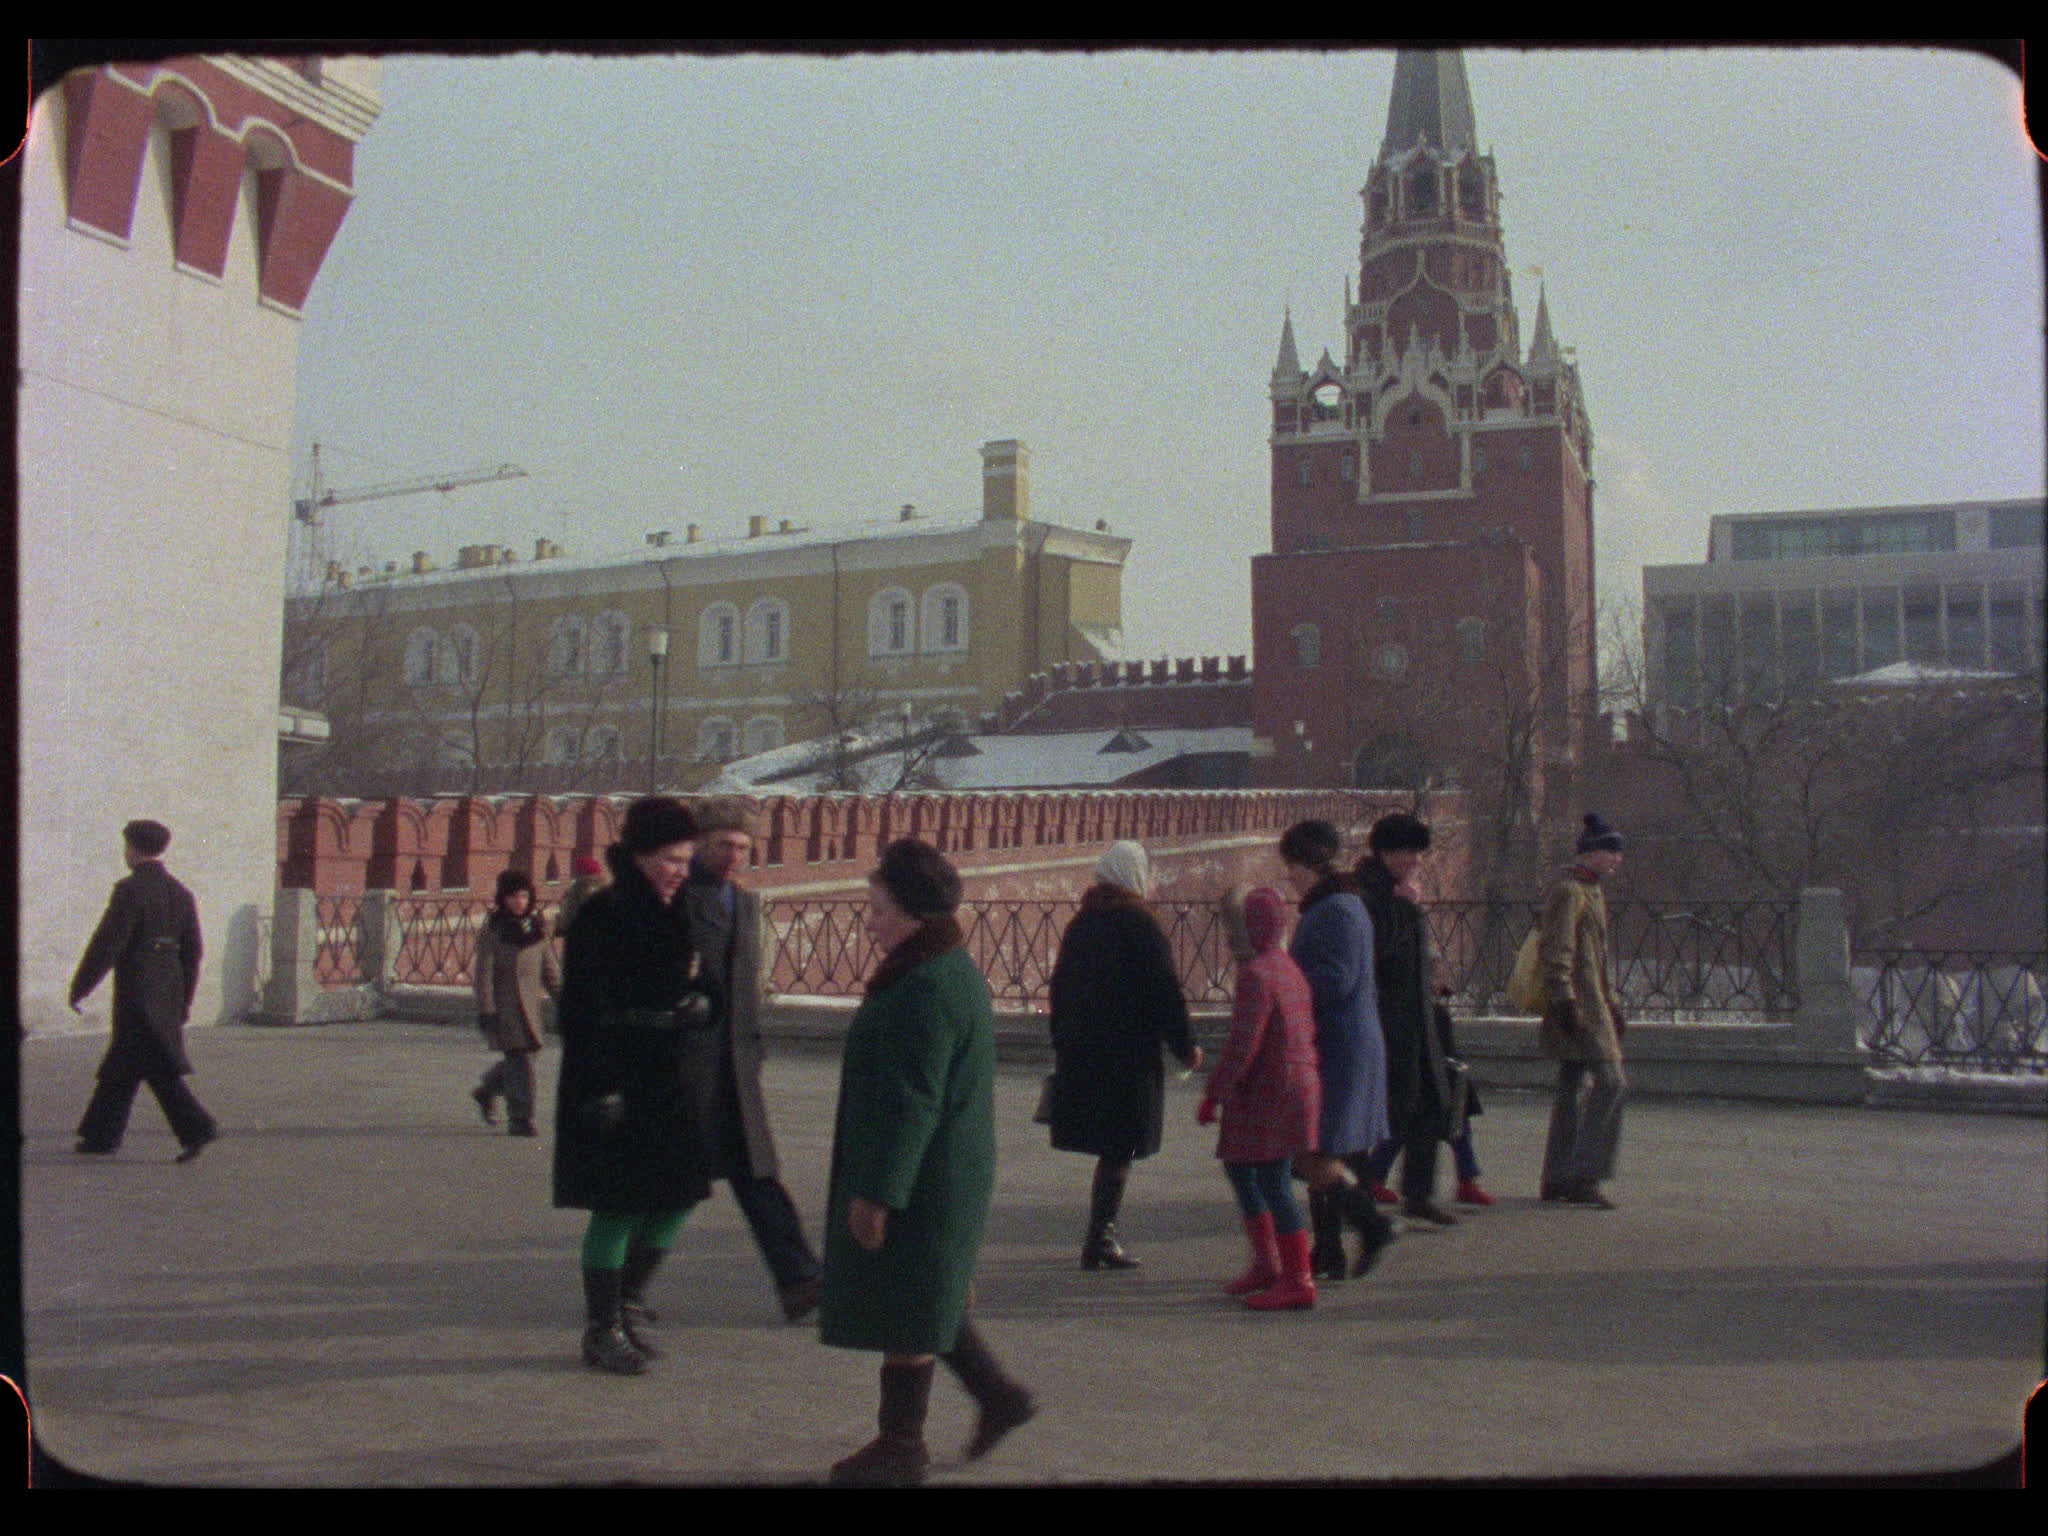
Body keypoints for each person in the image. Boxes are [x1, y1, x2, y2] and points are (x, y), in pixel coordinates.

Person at [820, 839, 1035, 1487]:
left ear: (914, 914)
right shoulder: (939, 968)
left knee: (911, 1306)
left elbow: (912, 1101)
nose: (870, 923)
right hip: (938, 1168)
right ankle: (998, 1397)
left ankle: (901, 1445)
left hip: (924, 1177)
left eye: (879, 910)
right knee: (924, 1296)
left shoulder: (926, 986)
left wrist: (877, 1194)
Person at [552, 796, 719, 1375]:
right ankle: (602, 1328)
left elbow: (706, 981)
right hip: (616, 1076)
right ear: (641, 855)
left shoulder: (683, 909)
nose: (680, 870)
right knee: (618, 1206)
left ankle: (628, 1299)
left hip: (671, 1076)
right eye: (671, 859)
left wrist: (705, 1004)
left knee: (678, 1196)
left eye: (686, 859)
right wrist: (600, 1088)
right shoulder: (603, 914)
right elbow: (579, 1012)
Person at [680, 800, 824, 1322]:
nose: (733, 855)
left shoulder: (743, 902)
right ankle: (620, 1289)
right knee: (666, 1184)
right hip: (689, 1068)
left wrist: (753, 1048)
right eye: (724, 844)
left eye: (742, 847)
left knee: (758, 1176)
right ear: (700, 843)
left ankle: (800, 1280)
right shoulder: (676, 900)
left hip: (737, 1069)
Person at [1044, 840, 1201, 1271]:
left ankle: (1100, 1237)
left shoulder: (1082, 923)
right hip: (1127, 1056)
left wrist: (1062, 1040)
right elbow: (1165, 992)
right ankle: (1100, 1239)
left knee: (1114, 1148)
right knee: (1120, 1147)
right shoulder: (1140, 925)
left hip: (1084, 1052)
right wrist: (1185, 1046)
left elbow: (1060, 988)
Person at [1278, 819, 1397, 1280]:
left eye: (1293, 865)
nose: (1290, 875)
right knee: (1324, 1150)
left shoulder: (1336, 910)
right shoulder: (1337, 905)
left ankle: (1369, 1229)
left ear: (1312, 863)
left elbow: (1336, 979)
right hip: (1338, 1043)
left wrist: (1286, 986)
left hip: (1341, 1047)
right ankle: (1329, 1251)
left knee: (1318, 1151)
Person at [1198, 886, 1323, 1310]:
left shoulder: (1256, 974)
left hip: (1270, 1091)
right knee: (1243, 1167)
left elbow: (1243, 1045)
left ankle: (1295, 1277)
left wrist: (1214, 1094)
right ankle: (1272, 1266)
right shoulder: (1288, 968)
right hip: (1295, 1085)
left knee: (1271, 1181)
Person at [70, 819, 218, 1163]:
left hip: (137, 990)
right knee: (123, 1063)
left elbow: (107, 943)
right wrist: (183, 1000)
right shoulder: (180, 893)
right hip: (167, 989)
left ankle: (197, 1127)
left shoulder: (130, 890)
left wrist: (81, 986)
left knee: (156, 1066)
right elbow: (192, 952)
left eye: (126, 847)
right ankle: (100, 1135)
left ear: (133, 849)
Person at [1352, 812, 1457, 1227]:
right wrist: (1407, 908)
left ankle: (1419, 1192)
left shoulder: (1396, 891)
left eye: (1419, 852)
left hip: (1416, 1019)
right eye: (1408, 851)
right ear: (1385, 852)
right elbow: (1380, 949)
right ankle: (1354, 1196)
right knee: (1379, 1111)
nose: (1416, 860)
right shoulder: (1368, 893)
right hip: (1386, 1019)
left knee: (1428, 1106)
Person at [1537, 813, 1629, 1210]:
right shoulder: (1570, 891)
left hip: (1593, 1004)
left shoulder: (1591, 891)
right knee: (1611, 1083)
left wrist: (1613, 1003)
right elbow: (1556, 951)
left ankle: (1557, 1177)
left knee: (1572, 1088)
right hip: (1580, 1007)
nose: (1617, 859)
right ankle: (1584, 1175)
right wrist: (1564, 1001)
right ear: (1590, 853)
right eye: (1611, 851)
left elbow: (1597, 960)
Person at [470, 869, 560, 1137]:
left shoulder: (537, 930)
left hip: (530, 1009)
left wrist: (567, 1001)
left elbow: (550, 972)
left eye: (523, 896)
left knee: (522, 1058)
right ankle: (521, 1118)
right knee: (521, 1060)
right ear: (503, 899)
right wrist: (487, 1010)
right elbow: (483, 976)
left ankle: (487, 1089)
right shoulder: (493, 930)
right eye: (513, 897)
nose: (519, 902)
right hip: (505, 1008)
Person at [556, 851, 608, 936]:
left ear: (581, 871)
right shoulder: (604, 887)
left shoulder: (579, 888)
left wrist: (562, 926)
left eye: (576, 870)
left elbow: (569, 910)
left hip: (580, 932)